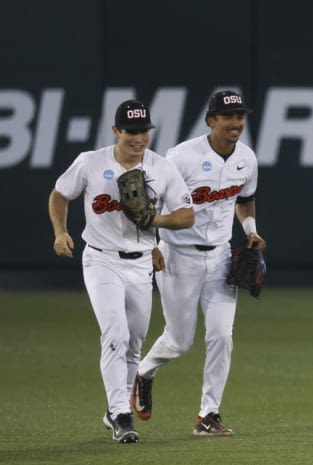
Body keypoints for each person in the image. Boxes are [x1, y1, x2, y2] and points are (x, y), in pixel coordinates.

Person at [48, 100, 194, 444]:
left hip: (142, 262)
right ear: (116, 131)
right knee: (115, 334)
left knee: (134, 343)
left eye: (144, 130)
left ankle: (115, 408)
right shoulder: (91, 162)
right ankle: (121, 414)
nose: (138, 138)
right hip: (101, 260)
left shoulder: (163, 167)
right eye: (131, 131)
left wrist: (155, 224)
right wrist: (60, 231)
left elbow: (187, 215)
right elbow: (59, 194)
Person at [131, 90, 266, 436]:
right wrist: (151, 245)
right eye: (228, 117)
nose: (236, 123)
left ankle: (209, 415)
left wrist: (250, 230)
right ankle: (144, 372)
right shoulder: (181, 157)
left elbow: (245, 200)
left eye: (240, 117)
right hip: (179, 256)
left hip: (221, 256)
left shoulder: (247, 159)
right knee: (179, 340)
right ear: (211, 121)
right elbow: (146, 203)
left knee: (222, 335)